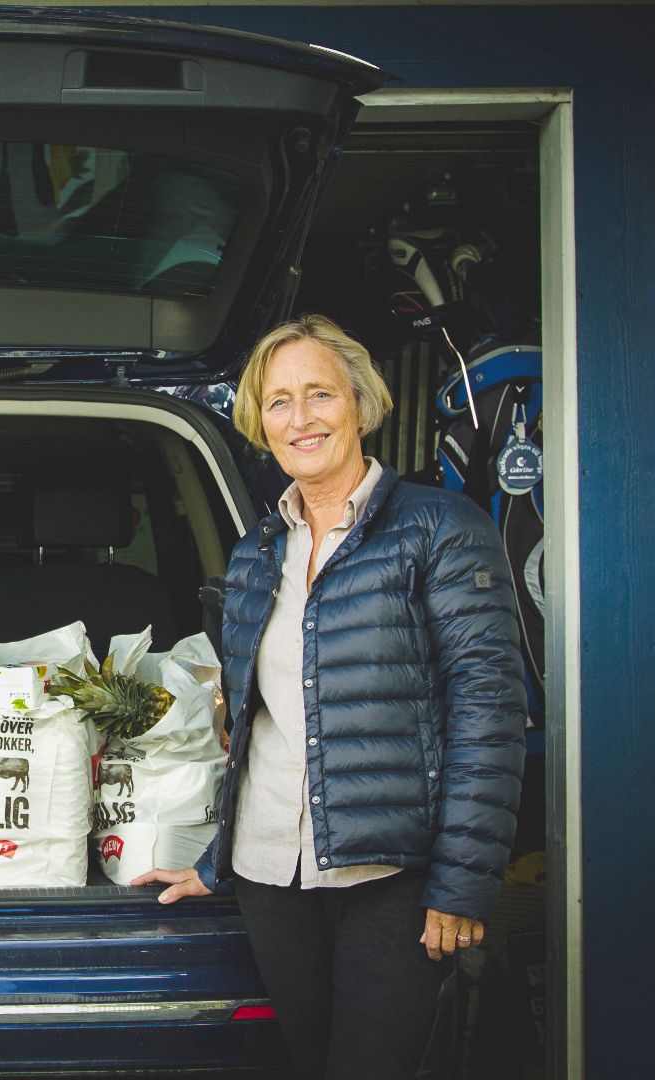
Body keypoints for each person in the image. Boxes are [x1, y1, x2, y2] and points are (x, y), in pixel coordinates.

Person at [135, 314, 526, 1080]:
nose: (300, 417)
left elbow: (489, 712)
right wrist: (217, 861)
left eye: (319, 393)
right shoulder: (256, 554)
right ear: (259, 422)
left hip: (392, 879)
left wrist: (464, 882)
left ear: (360, 402)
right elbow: (252, 731)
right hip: (270, 878)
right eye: (278, 401)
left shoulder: (438, 530)